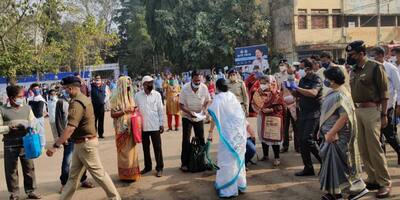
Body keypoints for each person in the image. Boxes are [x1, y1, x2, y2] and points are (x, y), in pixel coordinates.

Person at [46, 76, 120, 200]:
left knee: (99, 174)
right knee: (73, 177)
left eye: (65, 89)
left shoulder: (77, 103)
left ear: (70, 88)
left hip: (86, 145)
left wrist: (55, 146)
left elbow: (70, 128)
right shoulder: (83, 98)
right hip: (80, 144)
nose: (64, 92)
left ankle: (115, 198)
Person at [347, 41, 391, 198]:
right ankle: (372, 178)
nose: (349, 57)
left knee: (374, 148)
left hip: (372, 110)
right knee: (363, 148)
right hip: (357, 110)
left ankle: (384, 182)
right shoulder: (354, 70)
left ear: (361, 53)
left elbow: (385, 92)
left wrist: (384, 114)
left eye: (352, 55)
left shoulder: (375, 67)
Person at [319, 67, 369, 200]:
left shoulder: (340, 95)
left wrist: (331, 132)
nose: (325, 81)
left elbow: (344, 117)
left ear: (333, 80)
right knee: (332, 164)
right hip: (331, 135)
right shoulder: (334, 92)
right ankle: (335, 193)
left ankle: (358, 190)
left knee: (341, 165)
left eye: (327, 79)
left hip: (337, 136)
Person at [0, 85, 42, 200]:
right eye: (19, 96)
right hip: (10, 144)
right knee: (11, 170)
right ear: (12, 98)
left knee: (29, 168)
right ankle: (14, 194)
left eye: (22, 96)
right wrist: (9, 128)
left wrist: (31, 125)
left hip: (26, 143)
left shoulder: (27, 108)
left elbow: (34, 122)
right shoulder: (2, 109)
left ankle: (31, 191)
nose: (22, 98)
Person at [207, 78, 247, 198]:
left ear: (217, 87)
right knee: (237, 159)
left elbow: (212, 113)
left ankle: (228, 189)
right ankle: (240, 184)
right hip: (238, 134)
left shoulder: (218, 98)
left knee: (226, 161)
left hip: (228, 136)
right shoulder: (232, 96)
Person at [287, 58, 322, 176]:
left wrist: (297, 88)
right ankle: (308, 167)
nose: (299, 70)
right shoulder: (302, 80)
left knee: (308, 139)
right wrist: (291, 88)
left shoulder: (316, 79)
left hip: (314, 113)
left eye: (301, 68)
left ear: (308, 68)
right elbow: (297, 94)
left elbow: (313, 93)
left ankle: (325, 162)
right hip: (303, 112)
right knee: (302, 141)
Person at [55, 89, 94, 192]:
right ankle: (64, 183)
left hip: (80, 136)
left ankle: (83, 179)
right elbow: (58, 121)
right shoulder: (61, 102)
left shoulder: (80, 100)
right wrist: (62, 137)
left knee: (83, 159)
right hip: (68, 136)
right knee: (67, 160)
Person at [109, 76, 141, 181]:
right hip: (121, 129)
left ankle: (133, 174)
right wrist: (125, 111)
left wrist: (134, 111)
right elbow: (113, 114)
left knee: (132, 151)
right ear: (121, 85)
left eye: (129, 83)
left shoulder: (130, 96)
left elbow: (133, 110)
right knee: (124, 152)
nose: (128, 86)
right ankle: (124, 175)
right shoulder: (115, 98)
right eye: (126, 84)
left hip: (132, 127)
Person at [179, 70, 211, 172]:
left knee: (201, 138)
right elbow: (181, 105)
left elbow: (208, 100)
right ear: (191, 79)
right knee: (186, 140)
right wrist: (189, 113)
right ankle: (184, 163)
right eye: (196, 80)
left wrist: (205, 109)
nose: (197, 82)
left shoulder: (204, 87)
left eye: (199, 81)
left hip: (199, 116)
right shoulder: (185, 88)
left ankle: (202, 161)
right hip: (187, 116)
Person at [373, 46, 400, 164]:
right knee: (377, 135)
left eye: (375, 55)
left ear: (380, 55)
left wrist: (398, 105)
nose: (373, 57)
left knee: (389, 134)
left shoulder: (390, 68)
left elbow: (398, 88)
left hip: (388, 106)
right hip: (374, 107)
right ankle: (381, 160)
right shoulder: (372, 68)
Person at [252, 75, 285, 166]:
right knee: (262, 136)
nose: (263, 85)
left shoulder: (276, 93)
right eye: (261, 83)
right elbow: (254, 104)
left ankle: (277, 158)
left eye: (265, 83)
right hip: (262, 117)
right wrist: (261, 110)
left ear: (270, 83)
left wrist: (271, 110)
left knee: (274, 138)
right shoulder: (258, 92)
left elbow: (280, 106)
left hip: (273, 118)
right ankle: (265, 155)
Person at [135, 76, 165, 177]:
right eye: (148, 83)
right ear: (143, 84)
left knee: (158, 147)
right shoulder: (138, 96)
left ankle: (159, 167)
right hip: (143, 127)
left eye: (151, 82)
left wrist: (161, 123)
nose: (150, 84)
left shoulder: (157, 95)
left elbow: (160, 110)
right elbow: (135, 111)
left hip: (155, 125)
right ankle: (148, 167)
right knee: (145, 148)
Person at [276, 63, 299, 153]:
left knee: (296, 127)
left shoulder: (297, 81)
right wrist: (282, 103)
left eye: (291, 73)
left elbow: (299, 94)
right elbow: (280, 93)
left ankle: (298, 146)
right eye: (289, 73)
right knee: (285, 127)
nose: (290, 75)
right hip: (285, 105)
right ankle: (285, 146)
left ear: (294, 73)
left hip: (294, 106)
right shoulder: (284, 82)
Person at [28, 83, 47, 148]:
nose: (36, 90)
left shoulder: (41, 98)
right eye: (34, 89)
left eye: (37, 89)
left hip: (39, 117)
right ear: (32, 90)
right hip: (32, 118)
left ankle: (42, 145)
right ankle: (36, 145)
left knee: (41, 132)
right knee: (33, 132)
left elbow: (41, 110)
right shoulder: (30, 99)